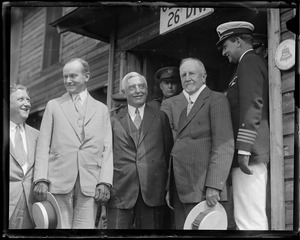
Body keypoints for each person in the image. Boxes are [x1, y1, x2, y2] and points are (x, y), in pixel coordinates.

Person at [33, 58, 114, 229]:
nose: (68, 81)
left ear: (87, 76)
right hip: (58, 181)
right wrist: (41, 178)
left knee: (86, 229)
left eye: (73, 76)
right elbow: (43, 144)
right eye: (65, 77)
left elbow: (107, 149)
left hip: (90, 182)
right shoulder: (54, 106)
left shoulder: (101, 109)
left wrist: (104, 181)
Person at [166, 58, 234, 229]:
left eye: (192, 73)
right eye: (183, 75)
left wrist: (214, 185)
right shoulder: (184, 110)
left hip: (204, 189)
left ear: (204, 77)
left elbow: (223, 144)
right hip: (183, 188)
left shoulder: (216, 99)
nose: (187, 78)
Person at [216, 21, 270, 230]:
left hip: (251, 152)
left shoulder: (249, 62)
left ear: (238, 41)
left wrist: (244, 148)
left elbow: (252, 103)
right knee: (246, 217)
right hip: (248, 152)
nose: (223, 53)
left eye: (225, 46)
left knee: (250, 220)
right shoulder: (244, 66)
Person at [107, 72, 173, 229]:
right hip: (121, 192)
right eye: (132, 87)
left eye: (142, 86)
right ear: (124, 92)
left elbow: (167, 153)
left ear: (147, 89)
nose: (138, 90)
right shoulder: (114, 120)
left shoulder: (160, 117)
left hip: (153, 192)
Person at [9, 84, 39, 229]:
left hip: (31, 207)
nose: (27, 103)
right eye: (21, 99)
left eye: (28, 100)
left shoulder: (37, 135)